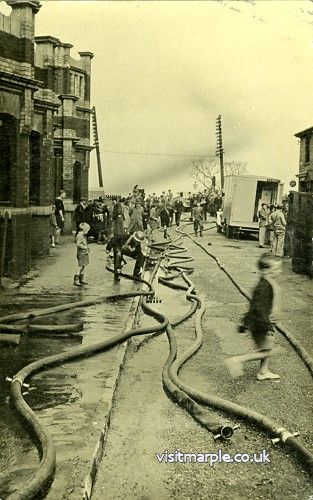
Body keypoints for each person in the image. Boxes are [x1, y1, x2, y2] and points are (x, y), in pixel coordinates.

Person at [225, 253, 282, 380]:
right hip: (261, 323)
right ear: (265, 270)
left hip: (259, 321)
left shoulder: (266, 282)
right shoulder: (264, 287)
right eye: (277, 269)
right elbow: (257, 308)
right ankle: (238, 360)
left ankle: (263, 372)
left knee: (267, 346)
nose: (280, 271)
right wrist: (266, 324)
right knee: (269, 350)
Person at [74, 222, 90, 286]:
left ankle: (81, 280)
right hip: (81, 253)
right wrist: (84, 247)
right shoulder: (79, 236)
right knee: (80, 267)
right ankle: (76, 280)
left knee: (83, 266)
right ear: (84, 230)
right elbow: (78, 244)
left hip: (84, 253)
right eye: (87, 230)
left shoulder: (82, 236)